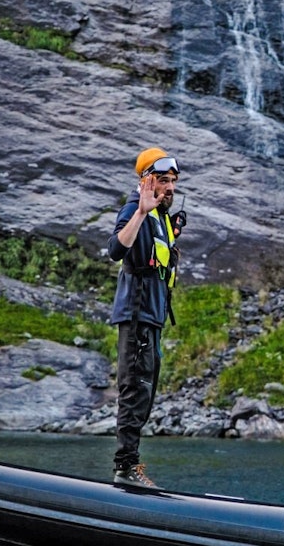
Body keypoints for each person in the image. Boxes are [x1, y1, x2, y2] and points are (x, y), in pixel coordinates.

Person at [107, 147, 184, 488]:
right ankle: (125, 469)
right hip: (136, 316)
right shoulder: (134, 210)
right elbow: (116, 250)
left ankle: (130, 466)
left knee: (145, 393)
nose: (170, 188)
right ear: (146, 181)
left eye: (173, 182)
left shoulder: (163, 220)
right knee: (134, 390)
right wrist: (140, 213)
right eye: (163, 181)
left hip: (152, 320)